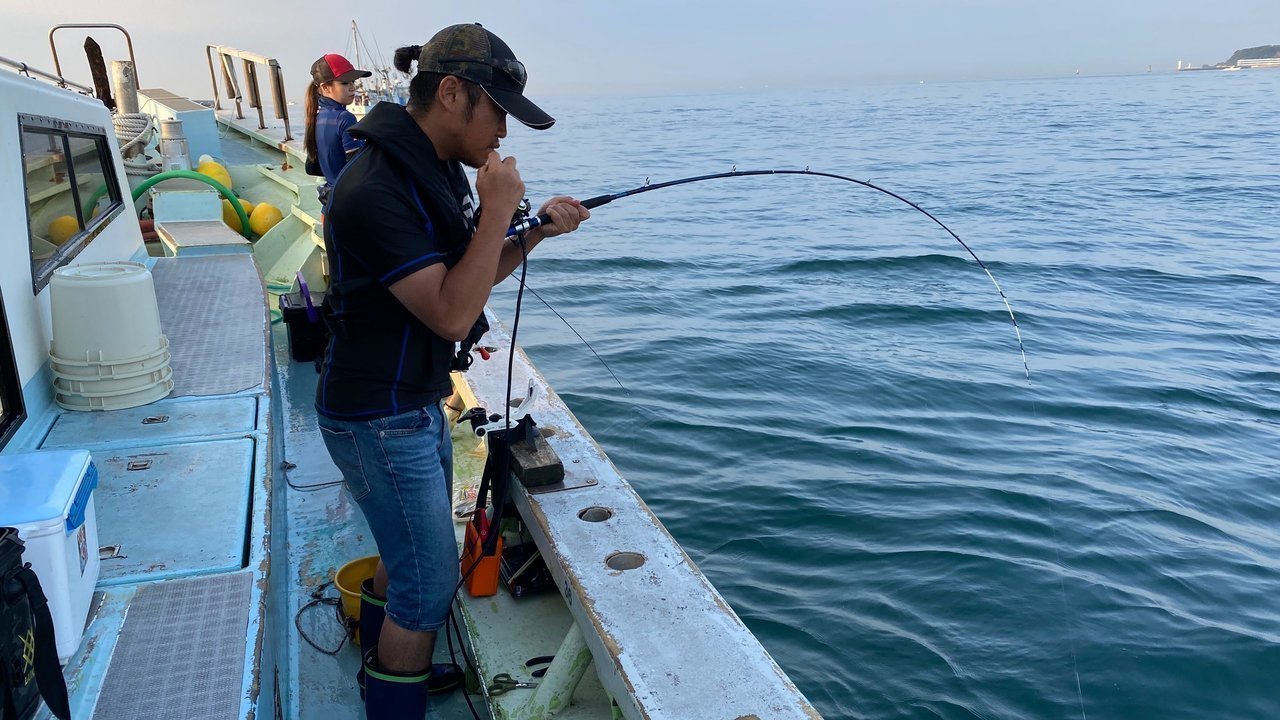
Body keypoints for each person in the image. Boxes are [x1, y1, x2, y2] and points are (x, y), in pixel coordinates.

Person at [314, 22, 589, 718]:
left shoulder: (433, 168)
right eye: (496, 110)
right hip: (375, 416)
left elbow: (466, 281)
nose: (502, 130)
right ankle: (392, 697)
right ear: (453, 93)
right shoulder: (374, 187)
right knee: (427, 586)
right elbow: (449, 314)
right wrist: (499, 209)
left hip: (410, 402)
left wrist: (531, 233)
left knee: (405, 555)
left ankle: (384, 668)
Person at [304, 53, 372, 198]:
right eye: (345, 83)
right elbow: (358, 172)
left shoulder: (316, 117)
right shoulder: (345, 118)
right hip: (348, 206)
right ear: (325, 87)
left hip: (330, 206)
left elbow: (311, 168)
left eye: (353, 82)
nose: (353, 88)